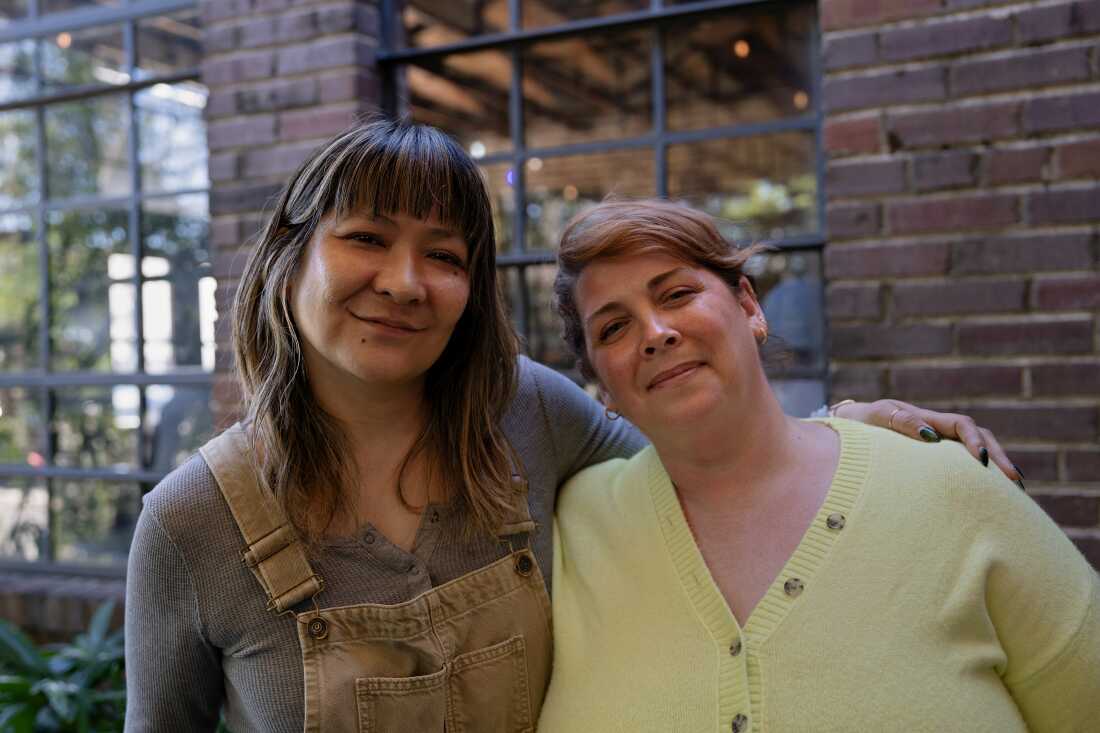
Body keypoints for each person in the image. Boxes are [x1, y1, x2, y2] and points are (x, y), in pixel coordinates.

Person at [123, 120, 1019, 733]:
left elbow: (706, 468)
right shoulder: (191, 525)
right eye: (367, 236)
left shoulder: (529, 411)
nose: (404, 281)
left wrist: (840, 428)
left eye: (444, 254)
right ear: (289, 258)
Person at [539, 199, 1100, 732]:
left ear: (749, 306)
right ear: (600, 386)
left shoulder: (949, 488)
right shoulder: (573, 528)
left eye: (678, 294)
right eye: (614, 328)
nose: (656, 334)